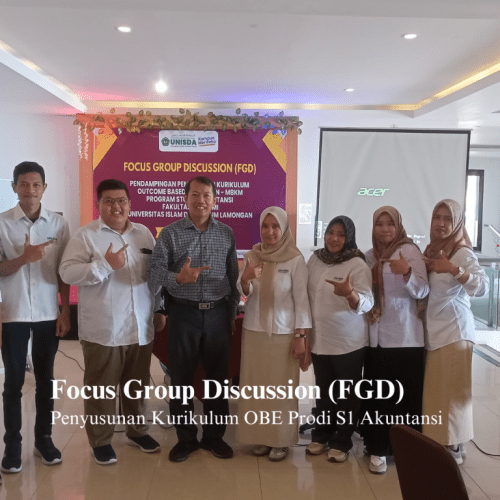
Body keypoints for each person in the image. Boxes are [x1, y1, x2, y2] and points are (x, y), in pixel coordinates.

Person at [59, 179, 163, 465]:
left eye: (121, 201)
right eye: (109, 201)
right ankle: (101, 441)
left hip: (139, 325)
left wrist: (159, 309)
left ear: (130, 204)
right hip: (104, 329)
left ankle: (137, 432)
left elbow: (154, 276)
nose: (116, 206)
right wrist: (105, 265)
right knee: (101, 389)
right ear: (99, 204)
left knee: (136, 385)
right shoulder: (86, 236)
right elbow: (67, 273)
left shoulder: (143, 234)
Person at [147, 176, 239, 462]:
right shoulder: (170, 233)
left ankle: (214, 437)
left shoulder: (226, 233)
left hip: (217, 314)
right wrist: (177, 277)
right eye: (195, 194)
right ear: (185, 198)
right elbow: (154, 272)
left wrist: (231, 312)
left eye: (206, 195)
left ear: (215, 200)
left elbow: (233, 276)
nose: (201, 200)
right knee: (181, 380)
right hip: (183, 313)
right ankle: (185, 439)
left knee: (217, 380)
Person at [0, 161, 70, 473]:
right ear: (14, 187)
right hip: (13, 313)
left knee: (46, 380)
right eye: (24, 184)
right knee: (14, 382)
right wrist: (22, 259)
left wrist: (65, 310)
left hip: (47, 314)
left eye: (36, 184)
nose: (30, 190)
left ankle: (44, 439)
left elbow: (63, 271)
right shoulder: (2, 223)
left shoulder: (58, 224)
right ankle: (12, 446)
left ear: (44, 188)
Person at [236, 206, 312, 462]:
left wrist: (301, 336)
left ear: (284, 229)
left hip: (283, 333)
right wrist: (245, 279)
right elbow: (244, 292)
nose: (270, 232)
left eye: (275, 226)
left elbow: (302, 301)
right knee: (256, 388)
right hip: (254, 330)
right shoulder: (252, 255)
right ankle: (260, 437)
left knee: (280, 391)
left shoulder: (295, 259)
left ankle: (280, 440)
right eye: (265, 226)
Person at [362, 206, 429, 474]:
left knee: (406, 400)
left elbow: (423, 290)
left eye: (390, 224)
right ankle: (377, 448)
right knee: (379, 398)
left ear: (398, 226)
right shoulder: (368, 256)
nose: (385, 229)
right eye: (379, 224)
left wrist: (407, 272)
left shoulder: (410, 251)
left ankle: (408, 451)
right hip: (377, 339)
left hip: (406, 339)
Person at [421, 199, 488, 464]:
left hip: (454, 332)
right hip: (437, 332)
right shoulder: (433, 250)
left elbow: (482, 286)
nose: (441, 223)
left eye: (448, 219)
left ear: (457, 222)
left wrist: (454, 269)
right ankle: (442, 443)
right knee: (439, 394)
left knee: (451, 395)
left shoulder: (461, 253)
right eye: (437, 217)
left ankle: (453, 448)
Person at [306, 216, 373, 463]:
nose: (334, 238)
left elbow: (368, 302)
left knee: (346, 396)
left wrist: (350, 294)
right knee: (324, 393)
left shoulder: (357, 264)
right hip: (320, 340)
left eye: (341, 234)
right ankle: (321, 435)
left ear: (349, 238)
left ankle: (342, 441)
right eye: (330, 232)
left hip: (348, 342)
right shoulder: (315, 259)